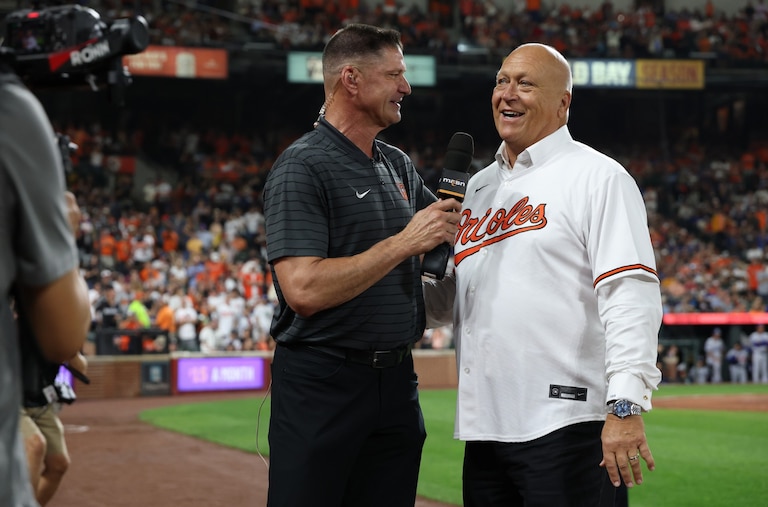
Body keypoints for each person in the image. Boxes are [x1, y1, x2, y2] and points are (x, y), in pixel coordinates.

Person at [424, 43, 661, 506]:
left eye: (525, 84)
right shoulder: (477, 187)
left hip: (568, 426)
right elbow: (458, 301)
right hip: (486, 430)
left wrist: (625, 406)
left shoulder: (598, 177)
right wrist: (399, 271)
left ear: (562, 103)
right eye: (501, 81)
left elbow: (629, 294)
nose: (507, 94)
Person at [262, 23, 460, 507]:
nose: (406, 87)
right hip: (323, 384)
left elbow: (451, 236)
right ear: (351, 79)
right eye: (394, 74)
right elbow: (303, 290)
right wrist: (402, 243)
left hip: (395, 383)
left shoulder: (396, 163)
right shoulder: (301, 167)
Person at [1, 61, 91, 506]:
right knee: (32, 450)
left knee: (54, 459)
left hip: (34, 390)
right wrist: (63, 238)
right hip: (16, 388)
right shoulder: (10, 110)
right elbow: (63, 337)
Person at [20, 351, 88, 505]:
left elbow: (81, 368)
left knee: (58, 464)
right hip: (9, 399)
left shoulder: (56, 327)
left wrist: (69, 349)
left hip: (41, 401)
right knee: (35, 444)